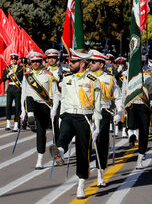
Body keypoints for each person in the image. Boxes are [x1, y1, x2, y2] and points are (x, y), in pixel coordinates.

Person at [48, 49, 102, 199]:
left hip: (85, 117)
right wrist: (60, 116)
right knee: (64, 134)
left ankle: (81, 184)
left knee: (83, 152)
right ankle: (59, 152)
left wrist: (96, 124)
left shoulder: (92, 80)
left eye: (73, 61)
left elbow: (97, 104)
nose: (69, 64)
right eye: (69, 61)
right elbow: (63, 99)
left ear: (82, 63)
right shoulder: (66, 78)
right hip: (68, 115)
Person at [88, 49, 122, 187]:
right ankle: (83, 176)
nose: (90, 63)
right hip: (88, 111)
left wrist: (119, 113)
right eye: (89, 61)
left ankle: (100, 174)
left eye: (93, 61)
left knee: (101, 144)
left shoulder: (109, 78)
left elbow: (118, 96)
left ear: (101, 64)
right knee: (86, 142)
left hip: (104, 112)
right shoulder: (85, 77)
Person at [20, 51, 60, 170]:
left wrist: (54, 108)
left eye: (38, 61)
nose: (36, 63)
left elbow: (56, 93)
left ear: (41, 62)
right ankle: (40, 160)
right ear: (30, 63)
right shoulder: (27, 75)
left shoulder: (48, 75)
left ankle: (59, 154)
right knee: (40, 133)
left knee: (56, 131)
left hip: (46, 106)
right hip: (33, 107)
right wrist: (23, 111)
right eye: (33, 62)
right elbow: (24, 94)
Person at [122, 62, 152, 169]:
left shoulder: (146, 76)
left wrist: (140, 75)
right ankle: (131, 134)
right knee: (130, 123)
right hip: (132, 103)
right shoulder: (126, 76)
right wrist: (122, 106)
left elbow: (149, 86)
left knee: (144, 132)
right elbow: (124, 91)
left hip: (143, 104)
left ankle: (140, 158)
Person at [3, 53, 24, 132]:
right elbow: (3, 78)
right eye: (12, 59)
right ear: (11, 60)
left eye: (15, 59)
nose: (14, 60)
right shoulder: (8, 68)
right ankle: (8, 124)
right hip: (10, 88)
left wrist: (22, 83)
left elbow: (23, 78)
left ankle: (16, 125)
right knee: (8, 106)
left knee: (17, 107)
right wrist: (8, 75)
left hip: (17, 88)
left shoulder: (21, 68)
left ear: (17, 60)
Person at [45, 48, 62, 142]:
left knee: (57, 124)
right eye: (49, 58)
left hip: (58, 99)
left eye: (54, 58)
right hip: (46, 99)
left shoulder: (62, 71)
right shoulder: (43, 71)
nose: (51, 60)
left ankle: (57, 145)